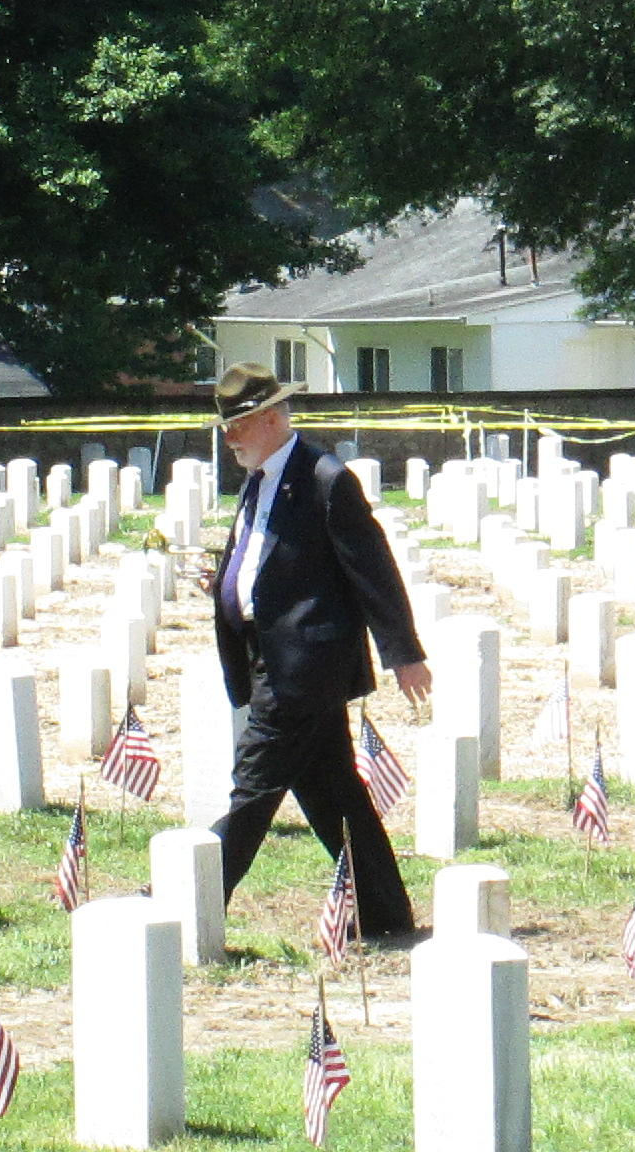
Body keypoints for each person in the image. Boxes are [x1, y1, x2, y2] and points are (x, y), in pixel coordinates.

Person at [201, 361, 431, 936]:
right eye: (225, 427)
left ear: (272, 417)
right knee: (334, 794)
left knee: (254, 788)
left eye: (238, 425)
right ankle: (385, 914)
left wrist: (404, 653)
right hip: (268, 658)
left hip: (304, 668)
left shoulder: (326, 478)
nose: (229, 439)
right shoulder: (258, 479)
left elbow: (372, 568)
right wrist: (227, 582)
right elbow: (268, 561)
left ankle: (186, 896)